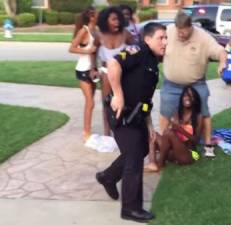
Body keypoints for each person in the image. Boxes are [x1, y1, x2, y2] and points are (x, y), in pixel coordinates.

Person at [95, 22, 167, 223]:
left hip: (137, 116)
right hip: (122, 113)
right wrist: (117, 94)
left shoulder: (152, 60)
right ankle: (131, 208)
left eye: (166, 37)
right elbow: (113, 64)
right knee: (134, 156)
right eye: (161, 37)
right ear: (147, 39)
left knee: (142, 147)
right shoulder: (138, 51)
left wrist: (150, 125)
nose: (165, 42)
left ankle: (108, 176)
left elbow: (145, 96)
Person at [159, 10, 227, 158]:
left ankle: (208, 145)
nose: (180, 34)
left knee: (204, 112)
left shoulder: (203, 37)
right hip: (171, 84)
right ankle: (165, 144)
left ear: (191, 27)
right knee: (165, 113)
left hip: (196, 84)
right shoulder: (169, 31)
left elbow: (220, 50)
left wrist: (222, 63)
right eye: (178, 31)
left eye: (183, 31)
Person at [96, 6, 134, 136]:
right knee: (107, 103)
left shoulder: (126, 35)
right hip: (106, 73)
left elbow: (136, 50)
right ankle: (107, 132)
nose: (117, 22)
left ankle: (124, 130)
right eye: (113, 20)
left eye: (118, 19)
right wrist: (92, 68)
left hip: (124, 73)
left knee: (125, 101)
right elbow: (92, 52)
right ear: (105, 21)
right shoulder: (99, 36)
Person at [145, 86, 203, 171]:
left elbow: (196, 141)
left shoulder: (198, 116)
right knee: (154, 135)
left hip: (190, 154)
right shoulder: (177, 113)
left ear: (195, 99)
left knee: (169, 133)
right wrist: (172, 126)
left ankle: (161, 164)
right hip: (174, 151)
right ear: (182, 98)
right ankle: (152, 163)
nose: (187, 98)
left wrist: (180, 129)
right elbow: (168, 134)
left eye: (191, 96)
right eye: (185, 95)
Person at [69, 7, 98, 141]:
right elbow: (71, 48)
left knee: (90, 103)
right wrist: (88, 51)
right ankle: (86, 133)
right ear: (91, 16)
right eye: (97, 13)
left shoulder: (95, 30)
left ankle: (87, 130)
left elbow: (96, 52)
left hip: (92, 69)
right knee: (90, 102)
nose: (99, 15)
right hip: (82, 69)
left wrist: (95, 68)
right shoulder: (84, 31)